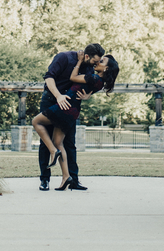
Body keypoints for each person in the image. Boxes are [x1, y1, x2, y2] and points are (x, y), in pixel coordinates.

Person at [33, 49, 119, 190]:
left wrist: (88, 94)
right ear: (87, 56)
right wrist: (61, 95)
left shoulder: (92, 71)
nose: (96, 63)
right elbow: (49, 77)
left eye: (100, 61)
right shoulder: (64, 57)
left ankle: (72, 178)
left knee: (65, 143)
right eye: (96, 61)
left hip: (66, 106)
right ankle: (55, 178)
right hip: (55, 101)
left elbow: (79, 80)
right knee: (55, 143)